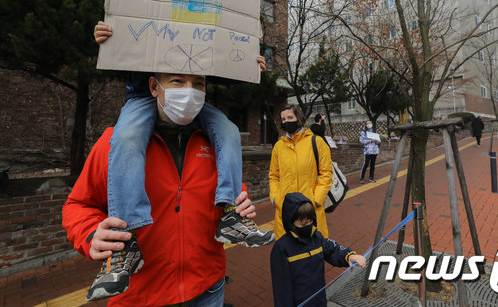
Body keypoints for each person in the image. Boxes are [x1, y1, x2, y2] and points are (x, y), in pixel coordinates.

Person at [63, 72, 271, 306]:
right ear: (154, 85)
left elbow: (232, 189)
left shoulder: (218, 143)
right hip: (140, 297)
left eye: (199, 84)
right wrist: (91, 234)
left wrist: (239, 204)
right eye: (177, 81)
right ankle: (127, 252)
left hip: (208, 288)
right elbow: (78, 206)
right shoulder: (116, 144)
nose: (189, 91)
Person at [270, 192, 366, 306]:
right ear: (290, 222)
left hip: (319, 300)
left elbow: (333, 250)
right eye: (303, 223)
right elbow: (281, 287)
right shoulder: (282, 248)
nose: (308, 226)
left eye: (310, 222)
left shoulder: (317, 237)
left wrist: (350, 255)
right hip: (299, 303)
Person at [269, 104, 333, 240]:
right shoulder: (278, 147)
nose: (286, 121)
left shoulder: (317, 142)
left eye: (290, 117)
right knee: (286, 255)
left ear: (299, 117)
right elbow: (274, 176)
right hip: (284, 209)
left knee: (313, 253)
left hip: (310, 210)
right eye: (283, 119)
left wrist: (315, 200)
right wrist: (275, 198)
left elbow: (326, 173)